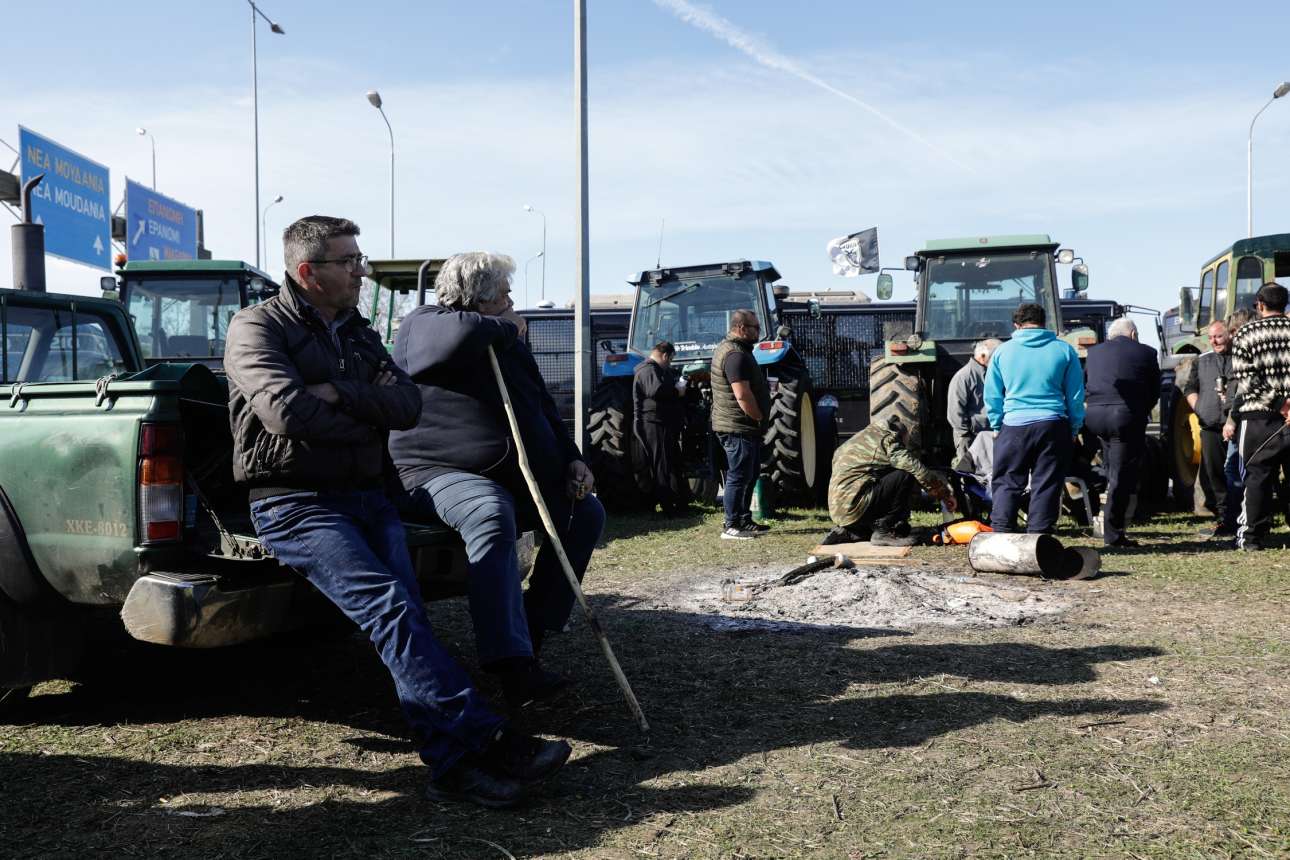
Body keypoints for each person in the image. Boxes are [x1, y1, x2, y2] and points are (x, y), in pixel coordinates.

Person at [226, 220, 568, 810]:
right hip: (294, 502)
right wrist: (362, 405)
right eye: (349, 260)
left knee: (404, 619)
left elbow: (406, 405)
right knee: (390, 609)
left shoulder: (357, 332)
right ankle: (487, 737)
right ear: (309, 272)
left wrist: (336, 395)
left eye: (360, 258)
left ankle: (453, 768)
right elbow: (286, 412)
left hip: (367, 495)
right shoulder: (257, 326)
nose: (361, 270)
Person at [388, 251, 605, 711]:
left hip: (512, 476)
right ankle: (511, 666)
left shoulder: (505, 337)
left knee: (585, 512)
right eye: (504, 294)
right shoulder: (425, 324)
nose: (512, 302)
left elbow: (542, 406)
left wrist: (572, 460)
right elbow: (459, 334)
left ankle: (532, 630)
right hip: (439, 473)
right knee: (490, 513)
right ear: (477, 298)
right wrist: (510, 327)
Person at [984, 303, 1085, 534]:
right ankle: (1039, 539)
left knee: (1008, 482)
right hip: (1053, 424)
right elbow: (1076, 395)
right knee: (1046, 483)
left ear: (1016, 325)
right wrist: (1074, 426)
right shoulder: (1064, 350)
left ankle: (1001, 533)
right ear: (1044, 322)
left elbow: (991, 394)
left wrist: (997, 424)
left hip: (1014, 425)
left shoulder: (1002, 351)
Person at [1084, 318, 1160, 547]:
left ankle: (1107, 523)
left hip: (1095, 416)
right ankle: (1113, 534)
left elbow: (1086, 381)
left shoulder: (1094, 352)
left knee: (1111, 468)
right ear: (1134, 334)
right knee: (1121, 476)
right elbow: (1154, 390)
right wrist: (1139, 411)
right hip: (1124, 416)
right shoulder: (1146, 352)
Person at [824, 416, 956, 546]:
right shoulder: (889, 440)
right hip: (856, 505)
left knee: (886, 475)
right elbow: (917, 469)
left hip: (838, 511)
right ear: (901, 436)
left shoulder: (858, 440)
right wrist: (944, 494)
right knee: (905, 474)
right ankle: (884, 531)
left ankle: (850, 532)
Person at [1229, 282, 1290, 551]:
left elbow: (1247, 380)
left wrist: (1280, 404)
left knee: (1257, 477)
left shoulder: (1245, 333)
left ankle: (1252, 537)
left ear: (1260, 304)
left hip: (1258, 418)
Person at [709, 309, 770, 540]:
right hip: (738, 426)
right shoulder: (735, 355)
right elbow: (742, 395)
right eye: (755, 327)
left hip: (744, 427)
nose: (759, 332)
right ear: (741, 328)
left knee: (750, 473)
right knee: (738, 475)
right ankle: (731, 524)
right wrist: (757, 417)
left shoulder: (739, 350)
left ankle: (745, 519)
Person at [1184, 320, 1237, 533]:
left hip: (1236, 425)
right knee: (1214, 473)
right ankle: (1225, 518)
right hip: (1210, 425)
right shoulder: (1201, 361)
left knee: (1237, 473)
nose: (1215, 341)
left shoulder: (1239, 359)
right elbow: (1189, 388)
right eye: (1211, 338)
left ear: (1229, 335)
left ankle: (1242, 515)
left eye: (1219, 336)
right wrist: (1200, 408)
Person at [632, 340, 689, 516]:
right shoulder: (648, 370)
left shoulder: (652, 370)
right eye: (670, 360)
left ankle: (675, 503)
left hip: (660, 423)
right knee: (662, 464)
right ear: (665, 355)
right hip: (653, 424)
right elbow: (656, 391)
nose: (669, 364)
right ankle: (668, 506)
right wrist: (677, 391)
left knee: (668, 462)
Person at [1218, 309, 1254, 537]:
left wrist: (1231, 420)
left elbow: (1244, 388)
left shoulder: (1246, 350)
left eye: (1232, 331)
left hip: (1245, 418)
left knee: (1235, 468)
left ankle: (1238, 522)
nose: (1230, 337)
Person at [947, 338, 1001, 468]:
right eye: (996, 357)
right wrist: (965, 434)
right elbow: (955, 411)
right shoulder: (963, 377)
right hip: (971, 435)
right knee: (971, 472)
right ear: (982, 356)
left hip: (994, 432)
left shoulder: (996, 374)